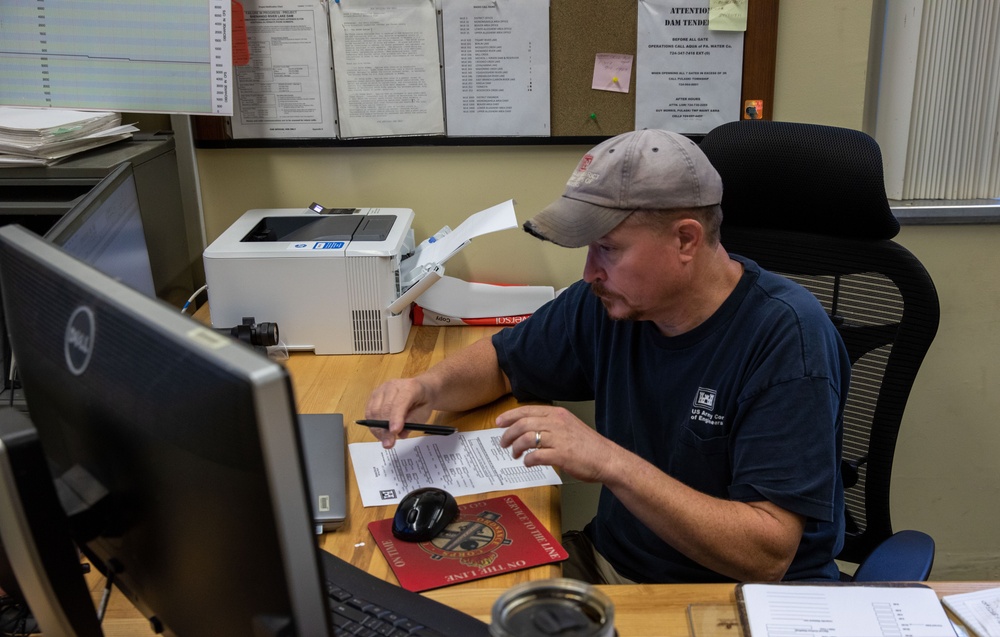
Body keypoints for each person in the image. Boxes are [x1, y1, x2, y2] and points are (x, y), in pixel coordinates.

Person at [364, 129, 849, 584]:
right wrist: (426, 387)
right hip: (615, 563)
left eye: (608, 248)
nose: (590, 269)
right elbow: (504, 361)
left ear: (685, 240)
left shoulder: (788, 339)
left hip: (733, 595)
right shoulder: (613, 301)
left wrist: (609, 461)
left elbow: (767, 553)